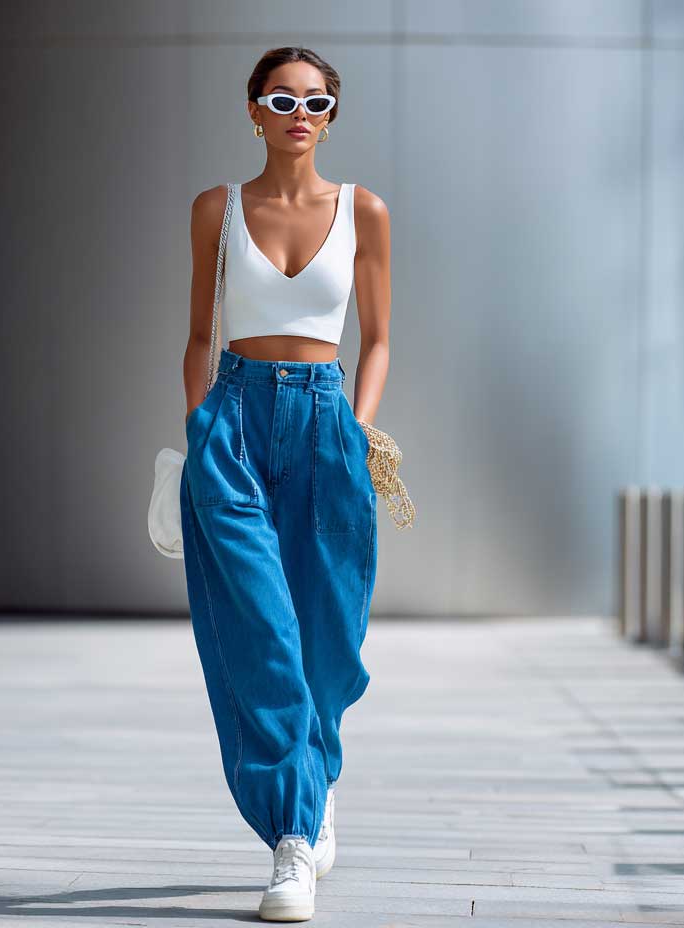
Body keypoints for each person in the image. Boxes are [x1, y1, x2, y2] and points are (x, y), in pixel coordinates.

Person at [179, 45, 391, 923]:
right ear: (254, 111)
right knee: (262, 635)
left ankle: (317, 773)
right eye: (281, 98)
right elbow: (198, 333)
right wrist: (197, 431)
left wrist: (360, 427)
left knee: (329, 645)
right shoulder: (216, 210)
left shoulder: (365, 211)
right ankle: (291, 843)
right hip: (230, 423)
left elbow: (376, 337)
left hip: (328, 426)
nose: (299, 113)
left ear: (332, 115)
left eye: (316, 101)